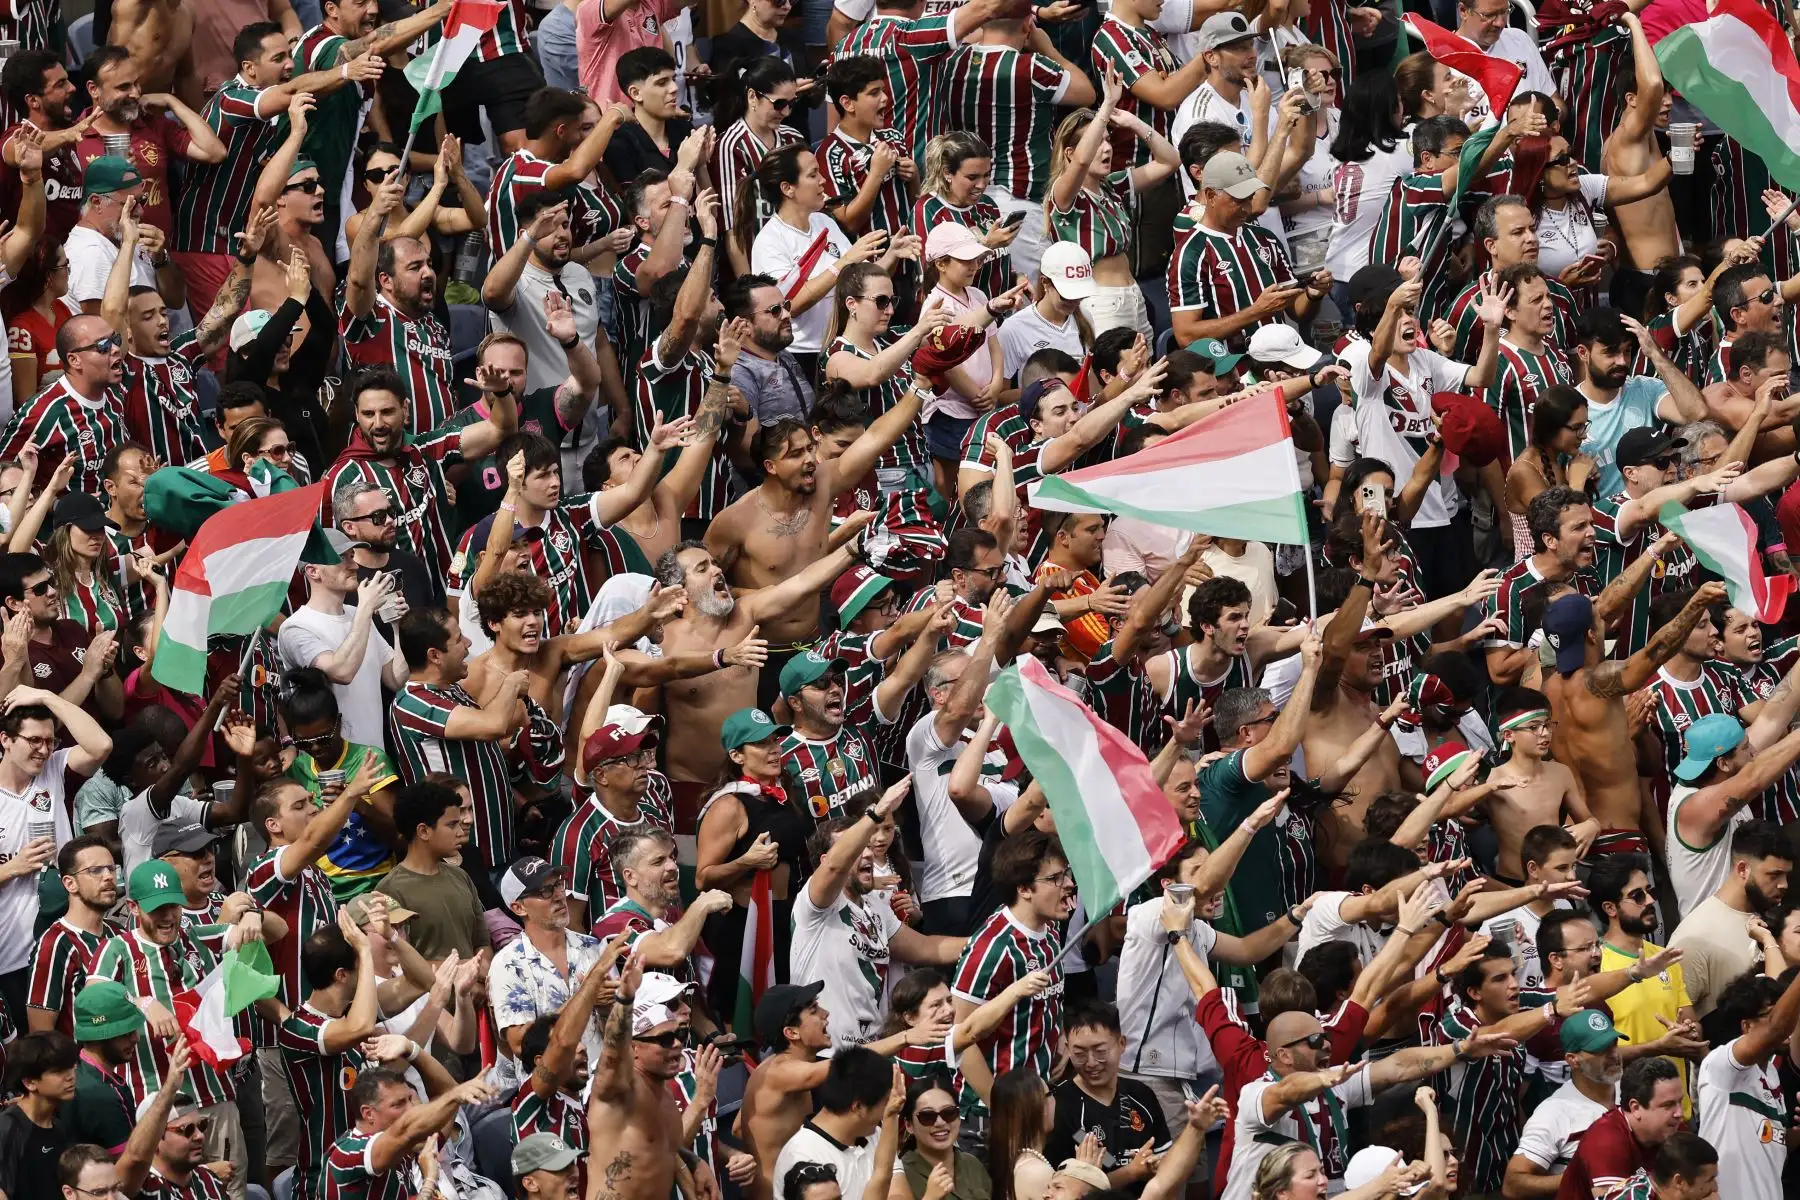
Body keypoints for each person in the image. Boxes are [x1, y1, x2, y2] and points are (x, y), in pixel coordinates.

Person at [791, 783, 964, 1048]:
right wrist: (878, 810)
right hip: (827, 1052)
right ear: (825, 860)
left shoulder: (875, 906)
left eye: (869, 847)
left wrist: (990, 941)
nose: (870, 852)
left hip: (872, 1048)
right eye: (859, 848)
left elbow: (926, 948)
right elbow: (836, 866)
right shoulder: (816, 903)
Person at [0, 686, 111, 1025]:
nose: (44, 750)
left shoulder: (54, 770)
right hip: (10, 954)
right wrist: (12, 868)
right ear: (5, 739)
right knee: (32, 1059)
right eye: (34, 740)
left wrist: (47, 697)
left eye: (50, 741)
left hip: (64, 943)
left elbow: (101, 745)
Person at [488, 855, 614, 1091]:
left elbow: (622, 1029)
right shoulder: (508, 964)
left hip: (603, 1087)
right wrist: (586, 995)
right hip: (551, 1096)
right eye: (546, 890)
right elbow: (521, 1044)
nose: (559, 895)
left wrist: (607, 1008)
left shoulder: (593, 948)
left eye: (558, 884)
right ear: (518, 907)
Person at [277, 544, 405, 749]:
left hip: (375, 755)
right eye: (340, 558)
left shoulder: (357, 614)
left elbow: (396, 679)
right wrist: (365, 608)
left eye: (352, 556)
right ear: (313, 571)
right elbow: (342, 672)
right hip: (332, 763)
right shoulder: (295, 627)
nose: (353, 565)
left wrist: (398, 628)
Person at [1668, 820, 1793, 1018]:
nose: (1784, 885)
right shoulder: (1695, 937)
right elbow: (1677, 1022)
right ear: (1743, 869)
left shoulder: (1775, 917)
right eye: (1775, 875)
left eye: (1787, 876)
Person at [1695, 965, 1800, 1197]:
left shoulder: (1771, 1074)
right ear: (1747, 1026)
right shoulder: (1720, 1066)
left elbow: (1774, 1145)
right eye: (1772, 1013)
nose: (1789, 1024)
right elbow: (1776, 1028)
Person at [1044, 1001, 1170, 1188]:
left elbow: (1168, 1165)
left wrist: (1157, 1165)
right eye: (1080, 1053)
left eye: (1100, 1052)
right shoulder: (1059, 1105)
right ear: (1068, 1050)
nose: (1092, 1062)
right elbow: (1063, 1189)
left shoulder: (1142, 1095)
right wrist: (1131, 1172)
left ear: (1122, 1044)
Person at [375, 781, 490, 961]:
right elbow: (398, 965)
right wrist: (465, 970)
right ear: (423, 831)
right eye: (452, 825)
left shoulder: (460, 876)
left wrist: (481, 967)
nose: (461, 831)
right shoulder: (389, 891)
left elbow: (482, 942)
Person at [773, 1047, 905, 1200]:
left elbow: (899, 1193)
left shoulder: (876, 1133)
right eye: (887, 1102)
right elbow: (882, 1178)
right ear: (858, 1106)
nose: (889, 1108)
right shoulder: (803, 1157)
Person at [1546, 1055, 1685, 1200]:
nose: (1679, 1113)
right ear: (1636, 1108)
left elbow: (1702, 1186)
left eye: (1680, 1102)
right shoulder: (1606, 1141)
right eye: (1668, 1105)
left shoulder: (1674, 1128)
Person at [26, 836, 120, 1035]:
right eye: (95, 870)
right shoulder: (54, 944)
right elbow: (41, 1035)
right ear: (70, 884)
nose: (109, 876)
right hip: (82, 1063)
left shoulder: (118, 932)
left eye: (111, 868)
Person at [0, 1032, 76, 1200]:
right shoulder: (7, 1130)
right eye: (59, 1071)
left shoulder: (59, 1128)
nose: (70, 1076)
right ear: (29, 1082)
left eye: (71, 1067)